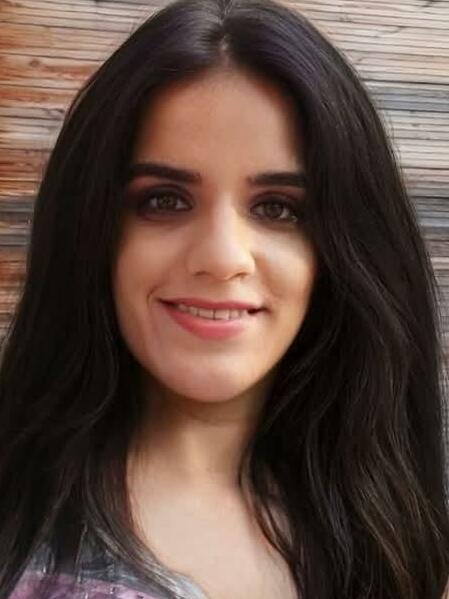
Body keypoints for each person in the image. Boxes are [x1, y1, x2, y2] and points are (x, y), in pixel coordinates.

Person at [0, 0, 448, 597]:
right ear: (92, 231)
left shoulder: (395, 529)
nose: (222, 257)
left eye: (278, 208)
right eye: (164, 200)